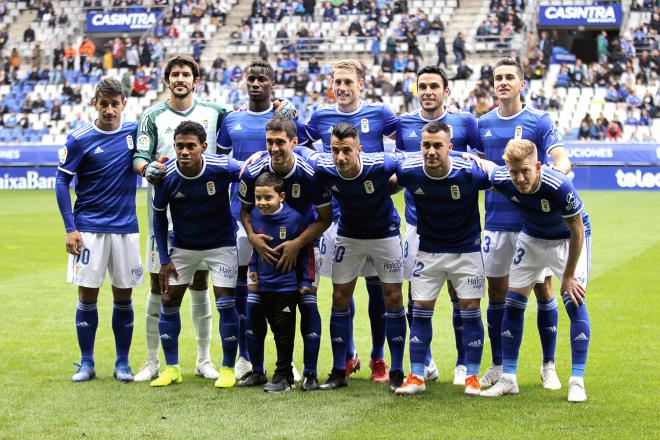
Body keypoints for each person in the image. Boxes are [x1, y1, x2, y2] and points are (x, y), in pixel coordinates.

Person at [132, 55, 231, 383]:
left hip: (205, 217)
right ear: (167, 80)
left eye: (185, 74)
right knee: (160, 285)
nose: (180, 78)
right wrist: (148, 169)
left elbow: (247, 126)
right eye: (174, 74)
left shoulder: (215, 113)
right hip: (164, 214)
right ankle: (152, 361)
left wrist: (277, 107)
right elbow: (139, 158)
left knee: (202, 282)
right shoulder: (152, 116)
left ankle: (204, 360)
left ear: (196, 79)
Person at [476, 57, 572, 391]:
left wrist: (560, 173)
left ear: (522, 84)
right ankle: (500, 366)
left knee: (543, 290)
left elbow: (561, 158)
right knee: (497, 295)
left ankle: (548, 365)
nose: (502, 82)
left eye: (508, 77)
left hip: (533, 225)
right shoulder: (482, 122)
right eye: (497, 77)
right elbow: (478, 166)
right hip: (495, 224)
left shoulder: (539, 120)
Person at [303, 59, 399, 383]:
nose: (341, 88)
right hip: (339, 221)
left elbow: (404, 148)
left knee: (377, 293)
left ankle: (378, 359)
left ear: (362, 83)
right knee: (342, 291)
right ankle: (349, 356)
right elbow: (301, 149)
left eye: (348, 81)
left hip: (375, 214)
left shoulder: (380, 114)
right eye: (336, 82)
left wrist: (386, 188)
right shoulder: (319, 117)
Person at [480, 139, 591, 403]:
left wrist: (568, 276)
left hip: (567, 240)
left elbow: (577, 230)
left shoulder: (559, 185)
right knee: (514, 302)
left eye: (525, 171)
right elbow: (484, 166)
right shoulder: (503, 176)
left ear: (538, 166)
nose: (519, 178)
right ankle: (509, 379)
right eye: (513, 171)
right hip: (531, 238)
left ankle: (577, 381)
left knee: (574, 300)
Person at [217, 60, 303, 380]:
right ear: (244, 82)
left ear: (272, 84)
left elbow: (298, 155)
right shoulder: (232, 119)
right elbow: (225, 163)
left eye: (261, 79)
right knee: (244, 291)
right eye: (250, 78)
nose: (255, 84)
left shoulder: (285, 117)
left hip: (279, 220)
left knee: (283, 290)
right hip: (241, 218)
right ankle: (247, 357)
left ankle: (286, 361)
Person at [395, 65, 481, 385]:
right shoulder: (403, 123)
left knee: (460, 295)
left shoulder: (465, 121)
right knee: (415, 297)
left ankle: (463, 363)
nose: (428, 91)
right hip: (417, 223)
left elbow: (482, 159)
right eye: (422, 86)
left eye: (434, 86)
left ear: (447, 92)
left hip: (458, 225)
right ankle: (425, 363)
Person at [55, 77, 142, 383]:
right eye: (103, 103)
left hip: (126, 228)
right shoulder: (79, 139)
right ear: (95, 103)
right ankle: (86, 362)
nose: (109, 110)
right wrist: (70, 228)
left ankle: (122, 363)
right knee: (87, 296)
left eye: (114, 104)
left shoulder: (135, 131)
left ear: (123, 104)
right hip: (89, 229)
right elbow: (61, 181)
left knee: (123, 296)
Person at [238, 115, 332, 391]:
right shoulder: (253, 171)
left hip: (304, 249)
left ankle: (311, 373)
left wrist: (297, 244)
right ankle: (258, 371)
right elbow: (244, 211)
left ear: (294, 142)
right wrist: (253, 238)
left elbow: (324, 218)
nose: (274, 148)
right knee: (254, 307)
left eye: (280, 142)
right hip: (264, 250)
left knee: (307, 304)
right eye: (270, 142)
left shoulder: (310, 173)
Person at [149, 121, 242, 388]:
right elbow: (158, 218)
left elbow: (249, 173)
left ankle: (226, 368)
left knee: (225, 303)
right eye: (180, 146)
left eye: (191, 146)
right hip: (184, 246)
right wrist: (164, 260)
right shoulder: (165, 176)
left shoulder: (221, 166)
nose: (184, 151)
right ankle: (172, 368)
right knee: (168, 300)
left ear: (203, 147)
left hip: (221, 244)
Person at [246, 172, 316, 392]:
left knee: (284, 332)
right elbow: (256, 250)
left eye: (268, 198)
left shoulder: (294, 219)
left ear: (282, 196)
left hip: (287, 286)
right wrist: (254, 270)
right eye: (258, 198)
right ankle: (275, 373)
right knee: (275, 330)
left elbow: (306, 251)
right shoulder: (255, 217)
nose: (262, 203)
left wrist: (306, 279)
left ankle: (282, 377)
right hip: (264, 284)